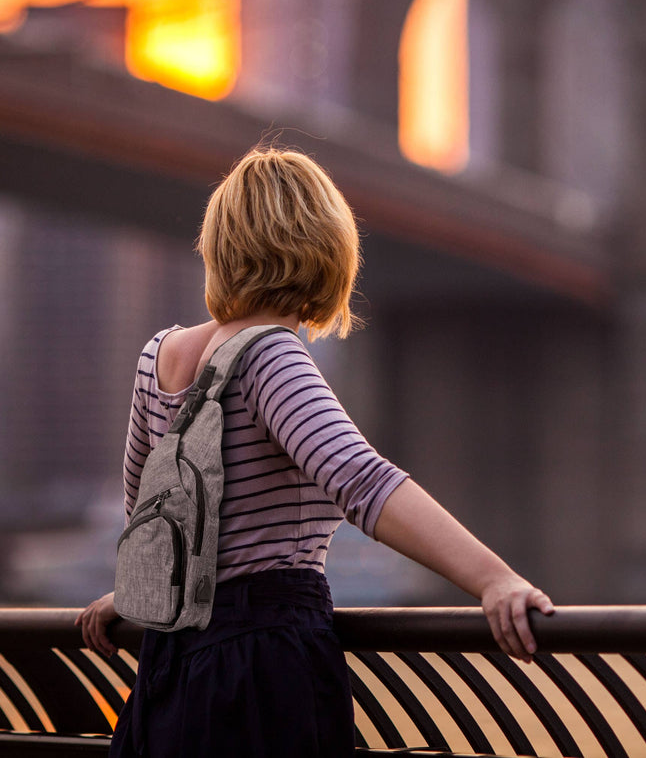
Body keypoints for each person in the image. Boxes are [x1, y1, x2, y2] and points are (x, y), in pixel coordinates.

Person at [76, 145, 554, 757]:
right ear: (325, 250)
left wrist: (133, 597)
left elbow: (151, 514)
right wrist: (494, 580)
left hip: (172, 671)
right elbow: (361, 481)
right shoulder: (271, 355)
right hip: (260, 667)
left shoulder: (159, 358)